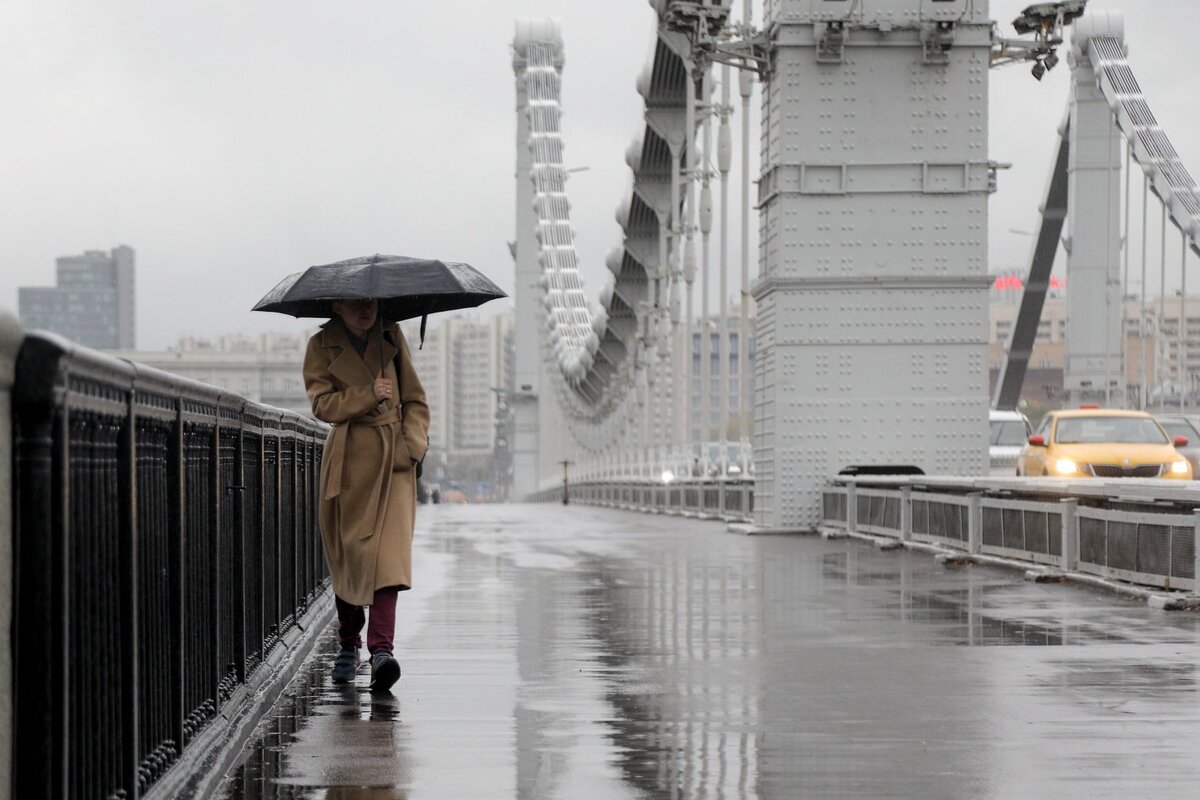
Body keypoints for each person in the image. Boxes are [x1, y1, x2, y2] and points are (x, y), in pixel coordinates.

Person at [302, 298, 429, 692]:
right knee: (351, 557)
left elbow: (416, 399)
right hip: (350, 462)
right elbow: (322, 405)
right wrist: (367, 393)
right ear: (337, 306)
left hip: (393, 462)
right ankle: (348, 644)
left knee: (388, 561)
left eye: (371, 302)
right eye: (356, 304)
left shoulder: (391, 335)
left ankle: (382, 652)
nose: (365, 309)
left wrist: (412, 446)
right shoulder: (320, 346)